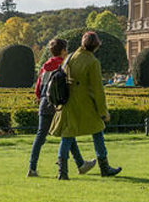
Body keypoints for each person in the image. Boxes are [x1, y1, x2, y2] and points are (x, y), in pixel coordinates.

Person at [50, 31, 121, 180]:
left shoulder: (71, 56)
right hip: (85, 103)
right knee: (98, 131)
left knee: (67, 136)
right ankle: (104, 167)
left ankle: (62, 172)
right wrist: (103, 111)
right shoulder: (92, 62)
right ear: (96, 46)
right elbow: (98, 90)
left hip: (68, 101)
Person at [28, 38, 96, 178]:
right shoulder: (65, 65)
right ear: (63, 51)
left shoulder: (44, 66)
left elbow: (38, 88)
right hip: (60, 105)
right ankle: (80, 164)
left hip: (45, 103)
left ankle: (32, 168)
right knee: (68, 134)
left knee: (40, 137)